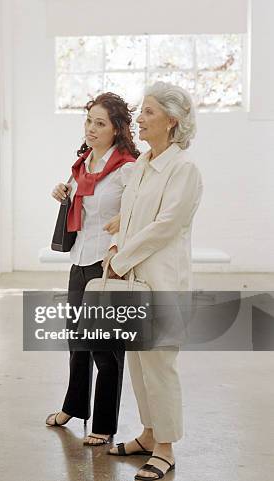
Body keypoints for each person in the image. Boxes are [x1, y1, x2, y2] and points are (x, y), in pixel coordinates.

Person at [105, 82, 203, 481]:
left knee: (160, 365)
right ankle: (148, 434)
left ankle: (166, 447)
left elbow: (165, 227)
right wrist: (115, 247)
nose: (139, 119)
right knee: (138, 362)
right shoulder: (143, 165)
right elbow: (125, 217)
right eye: (140, 111)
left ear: (171, 121)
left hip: (161, 281)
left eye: (148, 112)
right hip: (133, 277)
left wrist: (120, 259)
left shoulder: (184, 170)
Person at [46, 92, 139, 447]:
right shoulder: (83, 164)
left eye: (100, 123)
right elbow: (81, 204)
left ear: (117, 129)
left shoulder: (128, 168)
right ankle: (73, 407)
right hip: (80, 261)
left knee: (106, 348)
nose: (92, 129)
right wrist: (62, 191)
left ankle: (103, 423)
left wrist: (122, 225)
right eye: (89, 121)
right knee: (77, 342)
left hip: (107, 266)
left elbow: (138, 211)